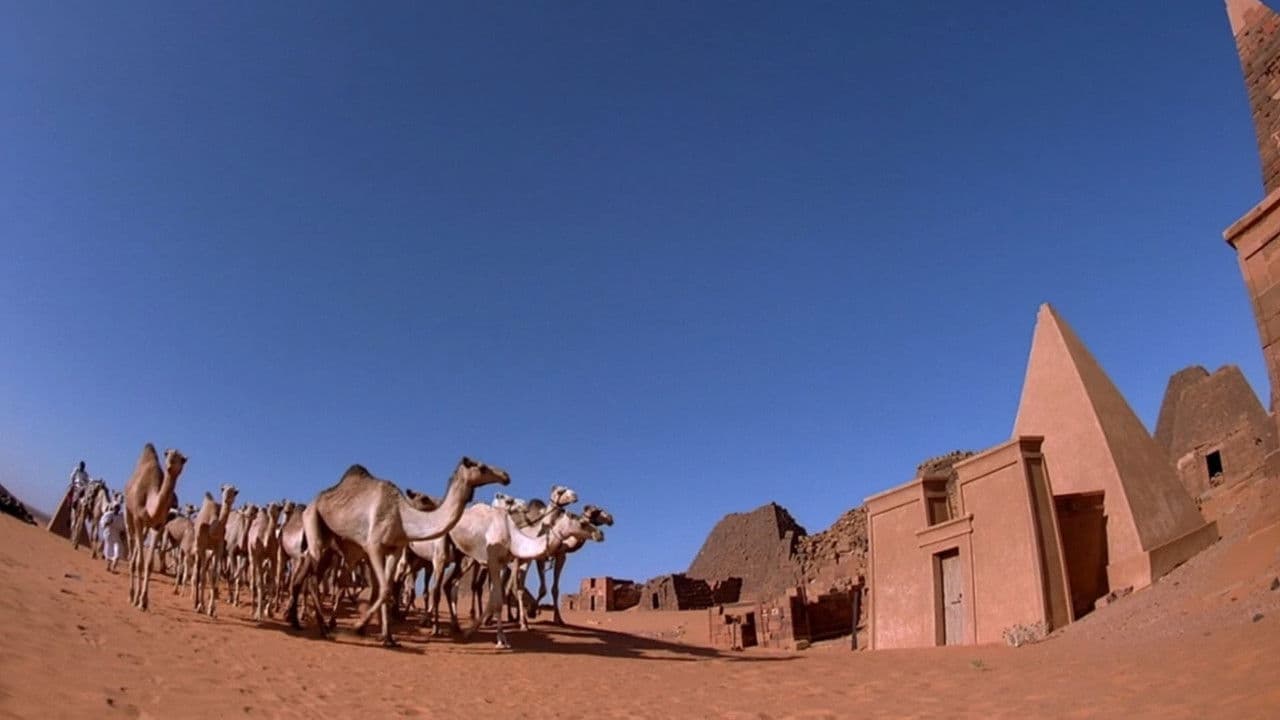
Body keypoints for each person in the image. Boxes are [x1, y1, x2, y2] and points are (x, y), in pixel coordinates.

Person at [99, 500, 126, 573]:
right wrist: (108, 522)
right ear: (113, 507)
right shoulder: (108, 515)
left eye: (118, 507)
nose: (117, 509)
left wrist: (123, 534)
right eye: (116, 507)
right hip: (109, 535)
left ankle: (113, 568)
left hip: (117, 536)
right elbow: (103, 524)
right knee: (109, 552)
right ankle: (108, 566)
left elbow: (123, 527)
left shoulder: (121, 517)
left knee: (118, 552)